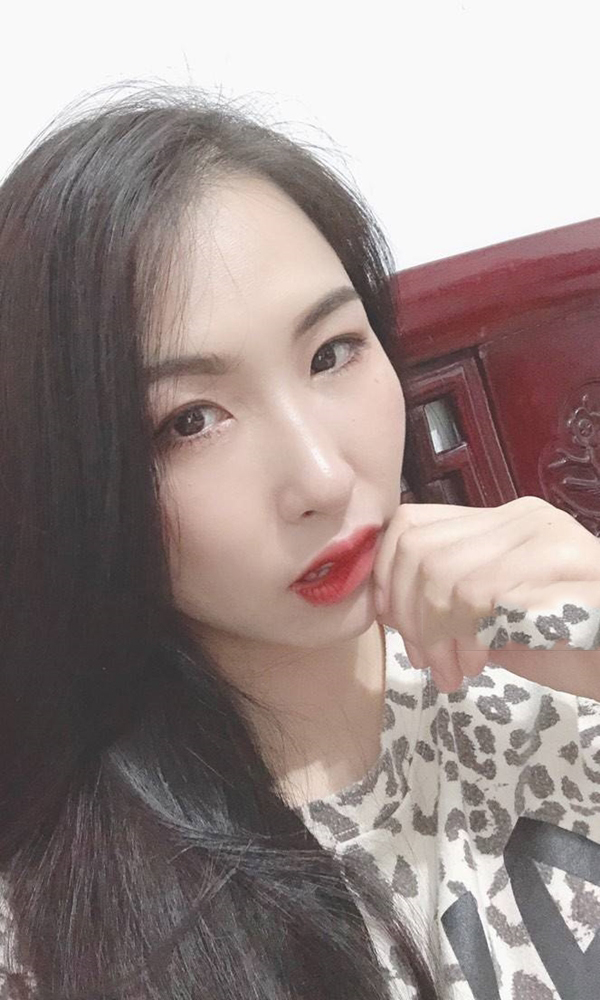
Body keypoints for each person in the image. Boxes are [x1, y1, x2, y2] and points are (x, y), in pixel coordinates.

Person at [0, 84, 599, 1000]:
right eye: (191, 421)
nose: (321, 478)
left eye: (331, 353)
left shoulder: (551, 660)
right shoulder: (56, 927)